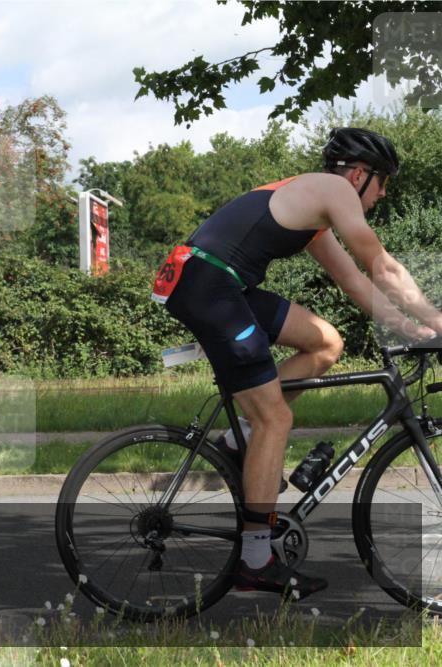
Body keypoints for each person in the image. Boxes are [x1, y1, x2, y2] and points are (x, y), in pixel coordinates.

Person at [152, 127, 442, 599]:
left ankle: (237, 440)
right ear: (358, 174)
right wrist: (435, 318)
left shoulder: (313, 204)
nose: (383, 194)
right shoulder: (332, 190)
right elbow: (382, 266)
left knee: (326, 342)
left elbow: (353, 280)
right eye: (382, 181)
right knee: (276, 418)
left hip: (217, 282)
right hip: (209, 285)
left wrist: (411, 330)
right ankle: (254, 559)